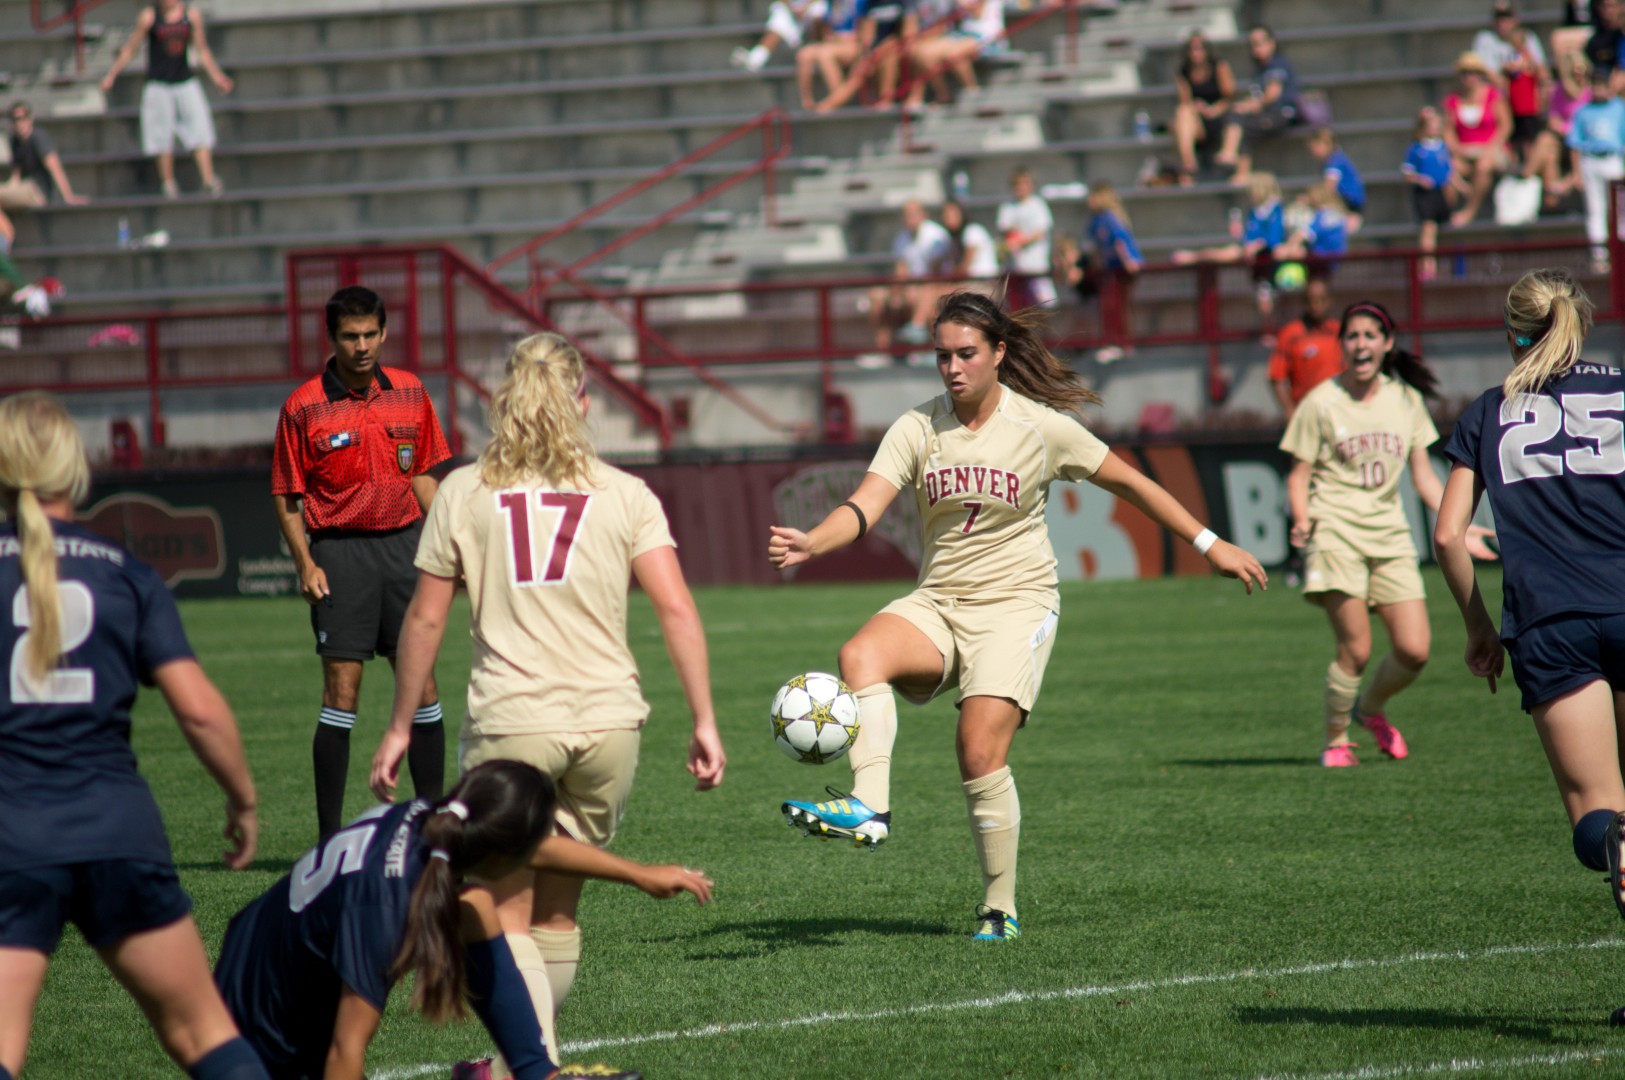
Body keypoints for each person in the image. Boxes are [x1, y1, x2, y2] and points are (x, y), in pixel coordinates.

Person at [768, 291, 1267, 941]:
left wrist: (1210, 544)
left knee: (977, 751)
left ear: (998, 354)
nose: (951, 368)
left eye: (966, 354)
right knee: (860, 654)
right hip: (940, 602)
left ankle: (998, 907)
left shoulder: (1040, 428)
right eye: (941, 355)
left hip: (1016, 606)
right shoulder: (916, 427)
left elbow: (1131, 483)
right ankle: (870, 806)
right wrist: (813, 540)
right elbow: (862, 507)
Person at [368, 332, 726, 1060]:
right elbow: (678, 609)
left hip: (512, 724)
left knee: (506, 914)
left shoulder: (465, 491)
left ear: (503, 402)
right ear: (582, 403)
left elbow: (427, 616)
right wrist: (705, 721)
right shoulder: (625, 493)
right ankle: (523, 1065)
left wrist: (401, 724)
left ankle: (532, 1068)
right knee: (559, 914)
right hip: (609, 725)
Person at [0, 391, 269, 1080]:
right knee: (203, 1034)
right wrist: (241, 801)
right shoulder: (125, 572)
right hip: (118, 829)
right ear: (76, 469)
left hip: (11, 837)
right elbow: (200, 711)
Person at [217, 760, 707, 1080]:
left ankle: (538, 1073)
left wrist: (639, 874)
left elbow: (534, 847)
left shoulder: (443, 820)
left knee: (476, 908)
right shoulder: (386, 909)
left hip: (272, 965)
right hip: (256, 1027)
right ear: (506, 852)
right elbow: (344, 1054)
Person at [1433, 270, 1625, 1024]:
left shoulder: (1489, 412)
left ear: (1511, 332)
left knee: (1600, 821)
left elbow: (1449, 534)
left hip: (1550, 622)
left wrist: (1479, 629)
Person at [271, 285, 452, 842]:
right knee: (341, 692)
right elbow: (286, 493)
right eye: (350, 336)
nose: (362, 345)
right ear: (332, 338)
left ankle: (432, 828)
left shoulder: (412, 393)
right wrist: (305, 562)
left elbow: (422, 474)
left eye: (371, 334)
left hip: (404, 551)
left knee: (421, 687)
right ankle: (329, 841)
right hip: (340, 555)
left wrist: (452, 543)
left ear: (385, 332)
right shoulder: (303, 406)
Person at [1279, 301, 1494, 768]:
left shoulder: (1405, 400)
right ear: (1342, 346)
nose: (1361, 344)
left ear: (1386, 343)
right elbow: (1298, 476)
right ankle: (1335, 740)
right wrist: (1301, 517)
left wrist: (1460, 526)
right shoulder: (1320, 402)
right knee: (1356, 650)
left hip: (1391, 536)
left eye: (1370, 335)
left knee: (1415, 651)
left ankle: (1369, 709)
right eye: (1352, 336)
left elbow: (1424, 479)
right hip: (1336, 531)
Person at [100, 0, 234, 199]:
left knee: (200, 128)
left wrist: (217, 77)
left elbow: (202, 49)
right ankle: (168, 183)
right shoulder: (150, 17)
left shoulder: (191, 15)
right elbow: (131, 48)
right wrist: (112, 74)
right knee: (160, 135)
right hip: (159, 83)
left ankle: (208, 179)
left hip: (184, 80)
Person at [865, 199, 955, 364]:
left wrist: (907, 289)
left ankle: (920, 343)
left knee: (918, 295)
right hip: (912, 286)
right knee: (876, 297)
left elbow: (934, 272)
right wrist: (895, 292)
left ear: (923, 215)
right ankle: (883, 351)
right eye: (906, 215)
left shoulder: (936, 235)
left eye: (913, 214)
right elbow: (901, 270)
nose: (909, 218)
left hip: (935, 285)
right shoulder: (902, 238)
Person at [1213, 26, 1303, 185]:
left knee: (1244, 128)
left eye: (1261, 43)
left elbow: (1273, 93)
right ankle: (1230, 154)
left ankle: (1240, 169)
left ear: (1272, 43)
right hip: (1266, 113)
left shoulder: (1277, 63)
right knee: (1234, 115)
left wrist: (1250, 107)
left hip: (1281, 114)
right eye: (1254, 44)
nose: (1257, 48)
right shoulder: (1260, 69)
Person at [1445, 51, 1515, 226]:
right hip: (1465, 151)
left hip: (1492, 149)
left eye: (1473, 72)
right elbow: (1448, 131)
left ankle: (1470, 210)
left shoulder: (1493, 96)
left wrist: (1492, 147)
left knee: (1484, 165)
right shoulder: (1453, 100)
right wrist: (1456, 150)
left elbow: (1506, 126)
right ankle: (1446, 212)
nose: (1469, 77)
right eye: (1465, 73)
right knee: (1450, 169)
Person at [1565, 67, 1625, 270]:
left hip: (1613, 160)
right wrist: (1576, 173)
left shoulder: (1619, 108)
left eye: (1602, 84)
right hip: (1590, 160)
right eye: (1595, 84)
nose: (1599, 89)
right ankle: (1599, 257)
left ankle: (1621, 253)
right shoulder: (1582, 111)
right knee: (1595, 209)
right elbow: (1575, 144)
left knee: (1620, 209)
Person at [815, 0, 919, 112]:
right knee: (859, 72)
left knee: (890, 57)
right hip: (877, 49)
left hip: (895, 47)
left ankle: (886, 99)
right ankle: (830, 104)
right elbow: (867, 35)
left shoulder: (904, 3)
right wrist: (866, 55)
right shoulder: (870, 4)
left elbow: (909, 33)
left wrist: (889, 46)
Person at [903, 0, 1005, 109]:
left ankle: (972, 91)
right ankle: (944, 95)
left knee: (955, 53)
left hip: (986, 37)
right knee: (924, 53)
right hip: (961, 36)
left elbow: (977, 12)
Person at [1084, 183, 1141, 363]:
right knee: (1110, 307)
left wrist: (1127, 262)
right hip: (1109, 270)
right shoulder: (1096, 220)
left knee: (1119, 307)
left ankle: (1121, 343)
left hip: (1119, 269)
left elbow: (1120, 242)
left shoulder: (1109, 218)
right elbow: (1095, 246)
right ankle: (1116, 343)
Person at [1269, 278, 1341, 419]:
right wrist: (1289, 410)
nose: (1317, 305)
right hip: (1306, 412)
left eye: (1322, 299)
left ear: (1330, 301)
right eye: (1312, 300)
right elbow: (1277, 377)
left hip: (1338, 411)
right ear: (1304, 303)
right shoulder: (1290, 334)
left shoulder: (1340, 332)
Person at [1171, 31, 1235, 184]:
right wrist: (1198, 109)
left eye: (1199, 48)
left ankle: (1189, 169)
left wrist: (1214, 110)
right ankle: (1189, 165)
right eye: (1192, 48)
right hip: (1197, 120)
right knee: (1183, 113)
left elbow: (1229, 97)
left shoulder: (1219, 66)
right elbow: (1185, 101)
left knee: (1183, 116)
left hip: (1220, 115)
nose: (1195, 52)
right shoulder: (1184, 71)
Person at [1402, 106, 1457, 279]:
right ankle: (1427, 264)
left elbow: (1449, 171)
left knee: (1443, 227)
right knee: (1429, 227)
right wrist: (1420, 180)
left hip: (1441, 192)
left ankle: (1445, 265)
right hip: (1425, 194)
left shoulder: (1442, 147)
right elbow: (1407, 174)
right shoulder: (1416, 149)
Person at [0, 103, 89, 209]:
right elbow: (16, 176)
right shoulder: (14, 141)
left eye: (23, 118)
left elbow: (55, 166)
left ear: (30, 119)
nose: (20, 123)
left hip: (37, 190)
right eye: (15, 119)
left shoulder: (38, 138)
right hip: (23, 188)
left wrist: (69, 197)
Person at [995, 167, 1055, 309]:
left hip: (1037, 265)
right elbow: (1006, 230)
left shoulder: (1038, 205)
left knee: (1044, 305)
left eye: (1024, 183)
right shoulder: (1007, 207)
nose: (1021, 187)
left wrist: (1020, 240)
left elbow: (1040, 232)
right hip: (1016, 266)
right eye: (1017, 184)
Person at [732, 1, 830, 72]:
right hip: (791, 9)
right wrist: (792, 7)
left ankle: (817, 52)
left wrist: (806, 7)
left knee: (818, 12)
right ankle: (756, 59)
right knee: (779, 15)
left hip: (813, 7)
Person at [1307, 128, 1365, 234]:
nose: (1313, 151)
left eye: (1315, 146)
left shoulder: (1335, 161)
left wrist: (1310, 199)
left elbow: (1329, 187)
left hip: (1349, 206)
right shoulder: (1333, 160)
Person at [940, 198, 998, 289]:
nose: (948, 218)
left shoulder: (972, 231)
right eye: (946, 215)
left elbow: (965, 267)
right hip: (969, 284)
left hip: (982, 284)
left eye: (952, 215)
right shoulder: (951, 240)